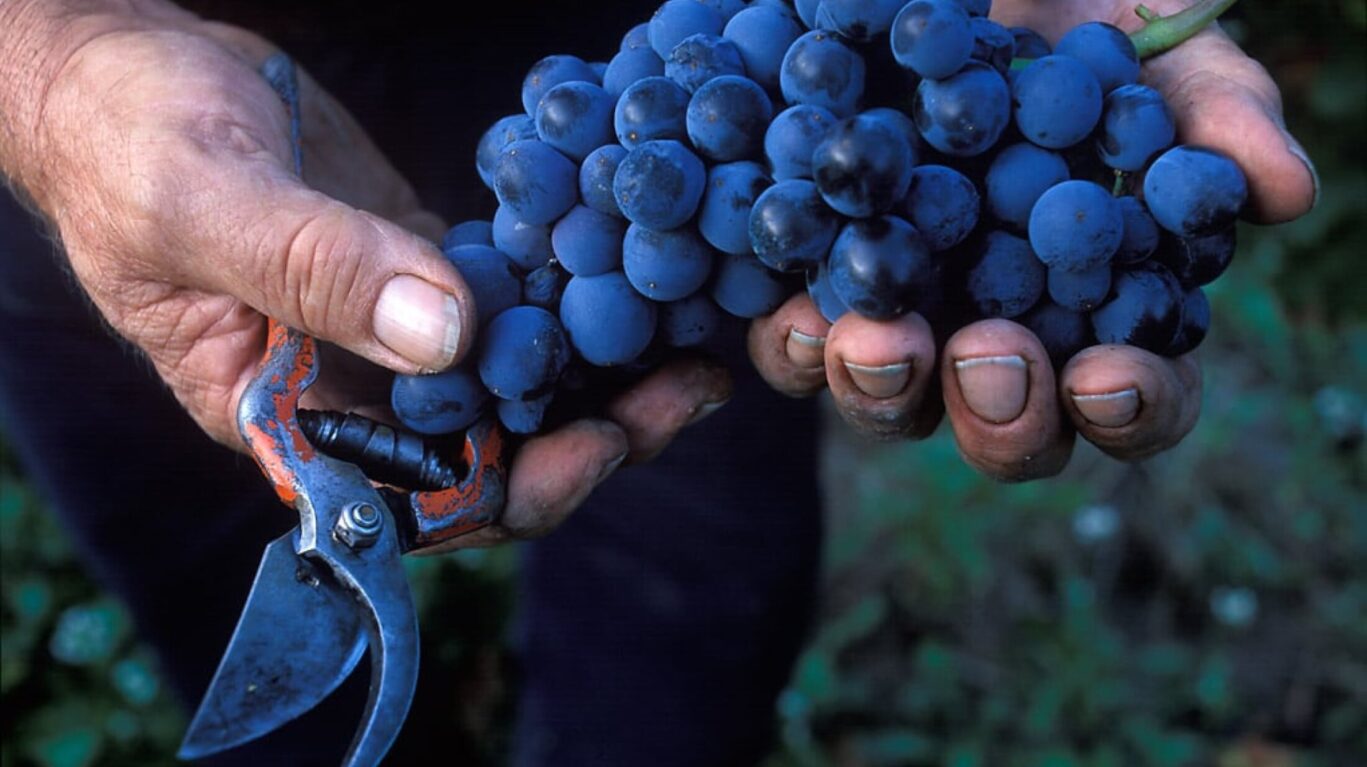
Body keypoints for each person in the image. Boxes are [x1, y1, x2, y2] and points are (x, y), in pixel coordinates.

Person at [0, 0, 1317, 764]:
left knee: (676, 603)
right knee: (222, 607)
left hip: (654, 84)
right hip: (95, 119)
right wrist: (41, 74)